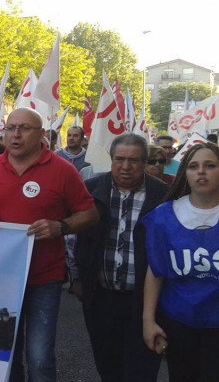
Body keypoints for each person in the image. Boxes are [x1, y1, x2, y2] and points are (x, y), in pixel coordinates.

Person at [0, 108, 98, 382]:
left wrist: (60, 227)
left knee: (39, 357)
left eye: (24, 128)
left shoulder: (63, 170)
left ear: (41, 134)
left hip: (43, 278)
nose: (15, 134)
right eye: (11, 127)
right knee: (4, 352)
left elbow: (89, 214)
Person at [74, 134, 168, 382]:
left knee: (142, 370)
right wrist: (76, 277)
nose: (126, 166)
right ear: (111, 159)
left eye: (134, 160)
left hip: (145, 301)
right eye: (120, 159)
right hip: (101, 298)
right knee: (108, 367)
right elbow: (74, 238)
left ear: (145, 161)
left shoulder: (164, 196)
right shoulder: (91, 190)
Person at [142, 142, 219, 382]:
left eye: (210, 166)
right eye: (194, 166)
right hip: (179, 322)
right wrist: (148, 320)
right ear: (184, 172)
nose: (201, 172)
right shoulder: (165, 215)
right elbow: (156, 271)